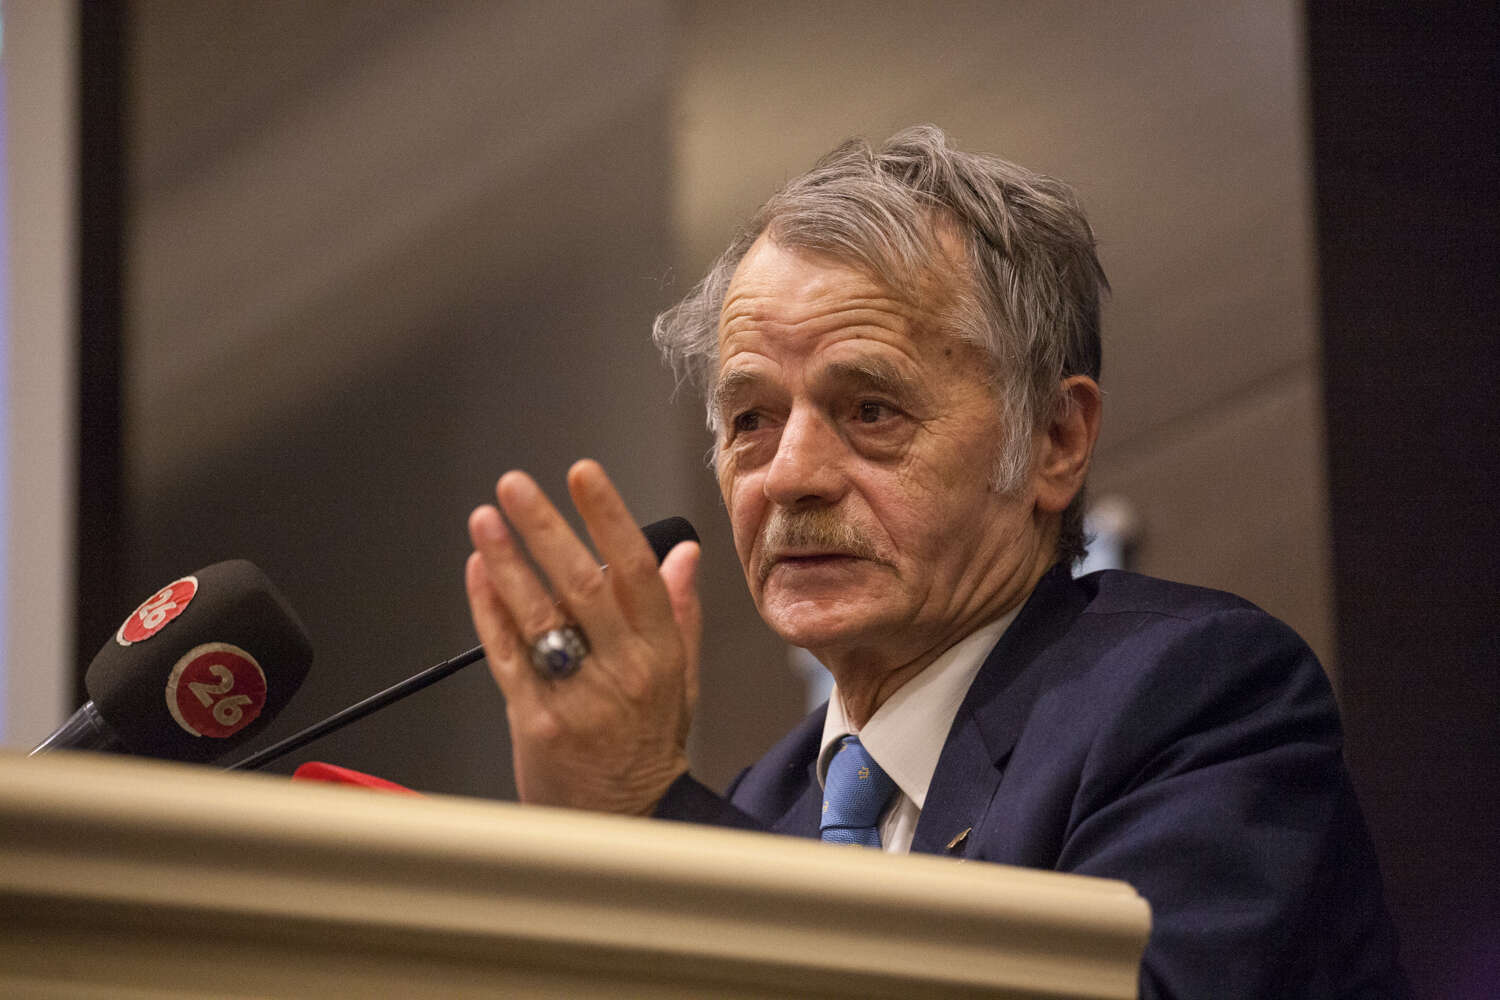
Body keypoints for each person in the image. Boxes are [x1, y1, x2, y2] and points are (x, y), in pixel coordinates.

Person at [464, 125, 1407, 997]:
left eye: (870, 409)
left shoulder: (1197, 698)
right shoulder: (764, 803)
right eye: (750, 419)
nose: (789, 475)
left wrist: (651, 813)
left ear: (1055, 439)